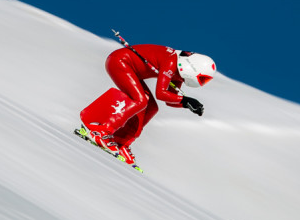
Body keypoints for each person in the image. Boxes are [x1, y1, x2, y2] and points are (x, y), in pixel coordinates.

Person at [78, 44, 215, 165]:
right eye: (203, 79)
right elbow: (161, 93)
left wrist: (187, 104)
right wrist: (185, 100)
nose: (202, 83)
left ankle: (120, 141)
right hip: (120, 62)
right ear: (194, 68)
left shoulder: (179, 73)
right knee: (141, 100)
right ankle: (100, 130)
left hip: (128, 67)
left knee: (151, 108)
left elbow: (169, 100)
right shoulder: (172, 61)